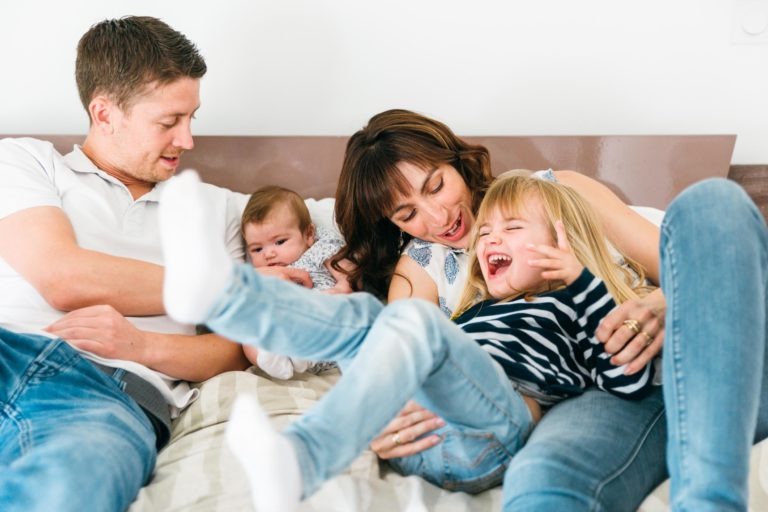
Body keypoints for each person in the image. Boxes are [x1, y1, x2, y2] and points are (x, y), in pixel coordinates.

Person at [330, 109, 767, 511]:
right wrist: (377, 421)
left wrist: (664, 301)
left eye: (436, 186)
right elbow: (401, 371)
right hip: (601, 395)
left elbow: (689, 263)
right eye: (408, 214)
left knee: (712, 203)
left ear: (456, 161)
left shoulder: (561, 191)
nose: (437, 215)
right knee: (541, 483)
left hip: (708, 348)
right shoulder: (420, 268)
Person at [158, 170, 659, 512]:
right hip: (419, 437)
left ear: (561, 241)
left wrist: (583, 283)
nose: (487, 242)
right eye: (485, 234)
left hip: (489, 437)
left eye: (510, 228)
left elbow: (623, 380)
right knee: (364, 317)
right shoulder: (477, 309)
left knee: (417, 326)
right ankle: (225, 296)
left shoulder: (579, 308)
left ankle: (305, 457)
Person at [0, 16, 311, 512]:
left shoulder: (225, 211)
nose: (187, 141)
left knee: (67, 490)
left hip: (102, 392)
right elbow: (62, 275)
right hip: (7, 348)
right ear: (105, 114)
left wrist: (142, 345)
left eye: (192, 118)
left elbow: (236, 347)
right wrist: (227, 286)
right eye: (168, 122)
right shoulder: (25, 162)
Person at [240, 185, 346, 379]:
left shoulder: (318, 250)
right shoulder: (259, 275)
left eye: (279, 242)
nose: (269, 253)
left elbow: (345, 266)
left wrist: (343, 287)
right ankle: (272, 360)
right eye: (257, 249)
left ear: (308, 235)